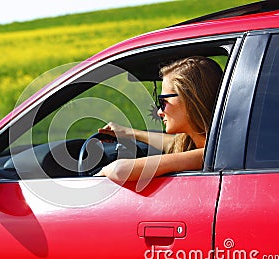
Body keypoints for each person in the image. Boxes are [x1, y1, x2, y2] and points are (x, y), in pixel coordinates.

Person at [95, 56, 223, 184]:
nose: (159, 112)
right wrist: (128, 132)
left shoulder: (210, 155)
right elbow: (171, 142)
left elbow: (120, 170)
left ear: (190, 101)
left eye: (164, 102)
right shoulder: (203, 143)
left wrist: (102, 172)